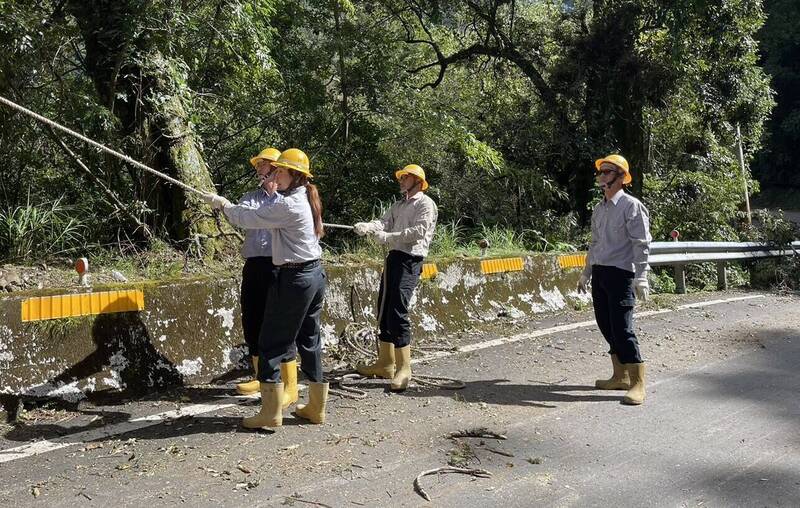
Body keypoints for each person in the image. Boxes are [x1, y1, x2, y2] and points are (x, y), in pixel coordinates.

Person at [203, 148, 328, 427]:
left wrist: (222, 204)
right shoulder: (304, 197)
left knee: (271, 341)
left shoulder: (288, 204)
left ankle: (270, 413)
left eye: (281, 171)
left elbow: (247, 219)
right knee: (309, 339)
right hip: (314, 274)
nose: (276, 174)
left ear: (295, 175)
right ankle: (316, 408)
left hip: (295, 277)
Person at [352, 164, 438, 391]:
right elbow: (383, 222)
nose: (401, 180)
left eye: (405, 177)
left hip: (410, 260)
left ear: (418, 181)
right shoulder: (398, 205)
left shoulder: (425, 204)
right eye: (401, 177)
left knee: (397, 311)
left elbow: (418, 232)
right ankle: (385, 364)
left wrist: (389, 237)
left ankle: (404, 369)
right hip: (393, 258)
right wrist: (368, 227)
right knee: (384, 307)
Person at [577, 154, 652, 405]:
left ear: (621, 178)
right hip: (600, 273)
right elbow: (595, 244)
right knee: (605, 324)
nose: (601, 176)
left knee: (622, 328)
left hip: (621, 273)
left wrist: (641, 277)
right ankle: (619, 376)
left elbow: (641, 244)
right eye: (601, 172)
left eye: (607, 172)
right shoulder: (599, 210)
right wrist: (586, 272)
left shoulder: (632, 207)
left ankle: (638, 382)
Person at [234, 147, 281, 396]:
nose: (258, 169)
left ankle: (283, 374)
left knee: (278, 319)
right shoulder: (250, 197)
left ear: (274, 167)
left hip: (280, 265)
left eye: (262, 164)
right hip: (254, 264)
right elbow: (242, 216)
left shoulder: (289, 198)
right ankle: (259, 374)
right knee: (252, 317)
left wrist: (271, 205)